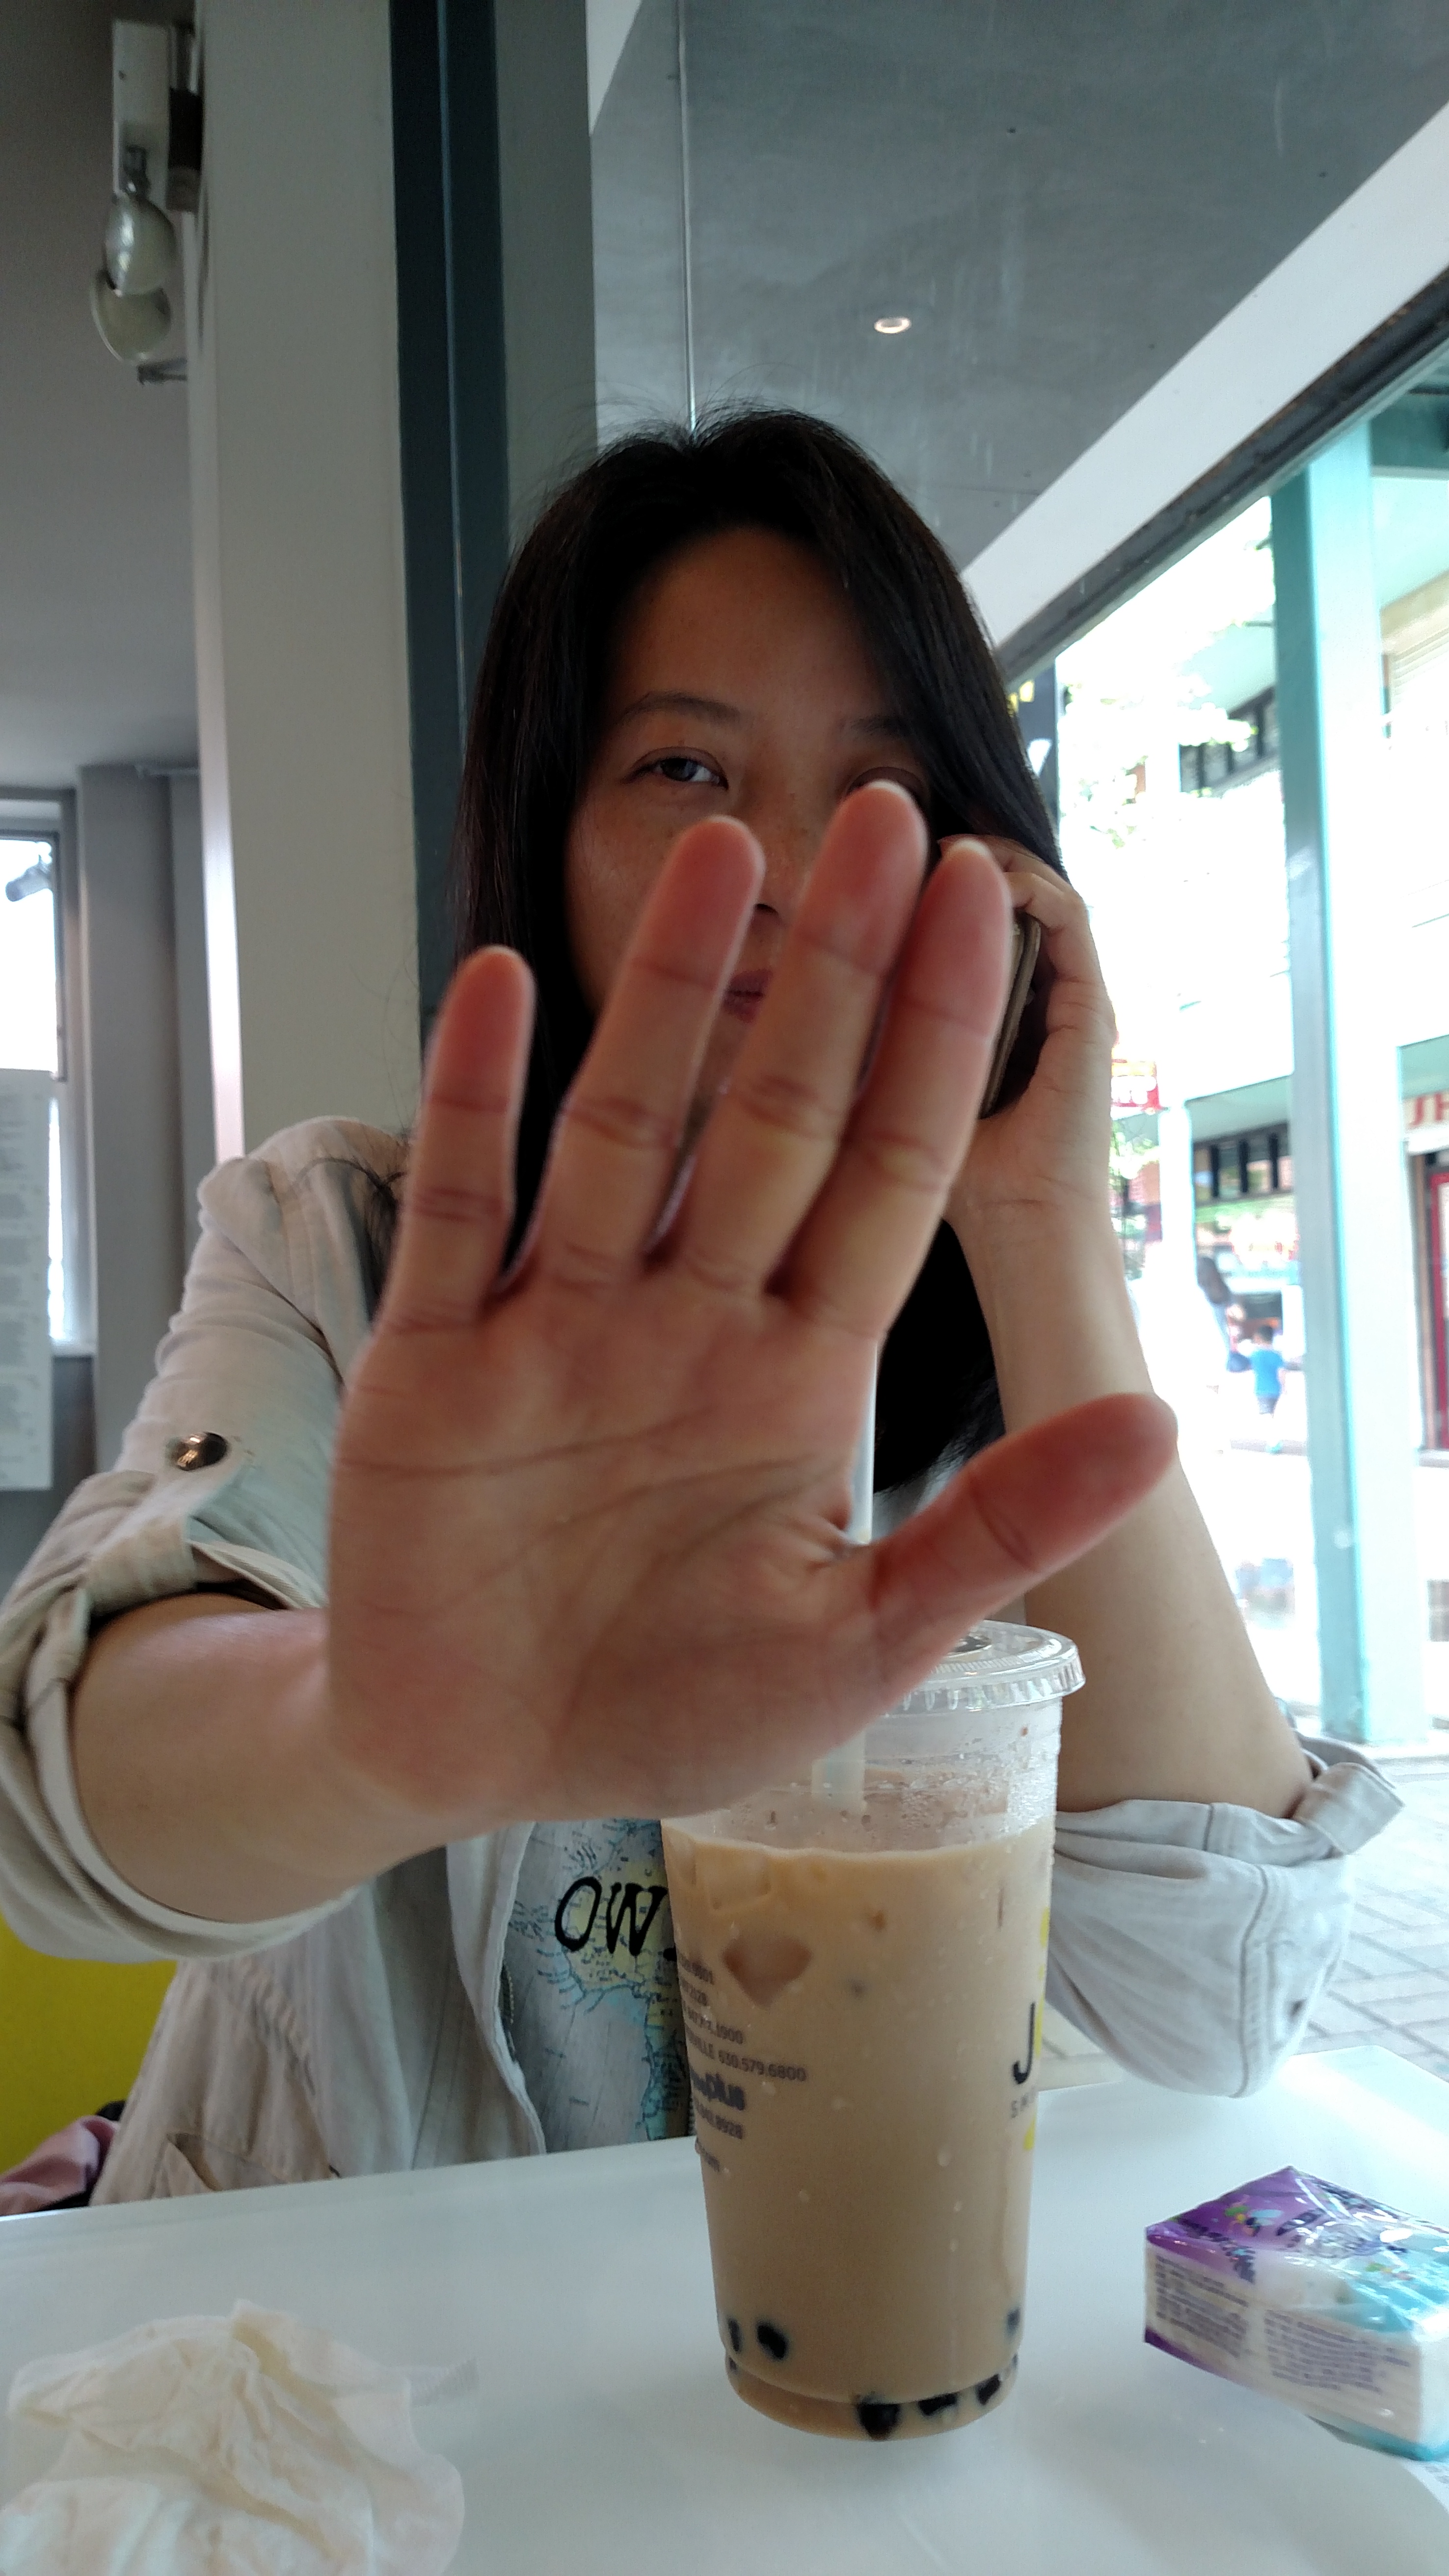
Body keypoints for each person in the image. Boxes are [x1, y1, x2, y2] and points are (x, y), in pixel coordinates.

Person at [0, 415, 1397, 2204]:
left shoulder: (1024, 1341)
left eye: (889, 792)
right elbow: (62, 1819)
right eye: (684, 770)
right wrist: (371, 1732)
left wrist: (1035, 1213)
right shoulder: (343, 1243)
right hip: (337, 2337)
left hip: (821, 2336)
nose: (797, 872)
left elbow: (1214, 2014)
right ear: (545, 834)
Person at [1249, 1320, 1289, 1452]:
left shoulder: (1255, 1355)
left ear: (1259, 1338)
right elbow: (1282, 1373)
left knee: (1266, 1416)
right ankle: (1274, 1441)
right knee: (1271, 1415)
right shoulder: (1277, 1355)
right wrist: (1284, 1388)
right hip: (1275, 1389)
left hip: (1261, 1390)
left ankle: (1273, 1442)